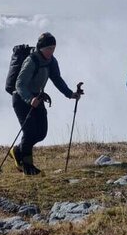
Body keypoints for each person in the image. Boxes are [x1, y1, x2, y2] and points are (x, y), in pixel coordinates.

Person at [9, 32, 84, 175]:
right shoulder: (31, 61)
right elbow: (19, 84)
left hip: (37, 98)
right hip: (21, 99)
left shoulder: (51, 61)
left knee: (41, 133)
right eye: (49, 48)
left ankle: (17, 151)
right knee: (30, 132)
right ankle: (28, 167)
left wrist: (70, 94)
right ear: (41, 48)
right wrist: (29, 99)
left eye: (54, 48)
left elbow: (57, 79)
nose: (52, 51)